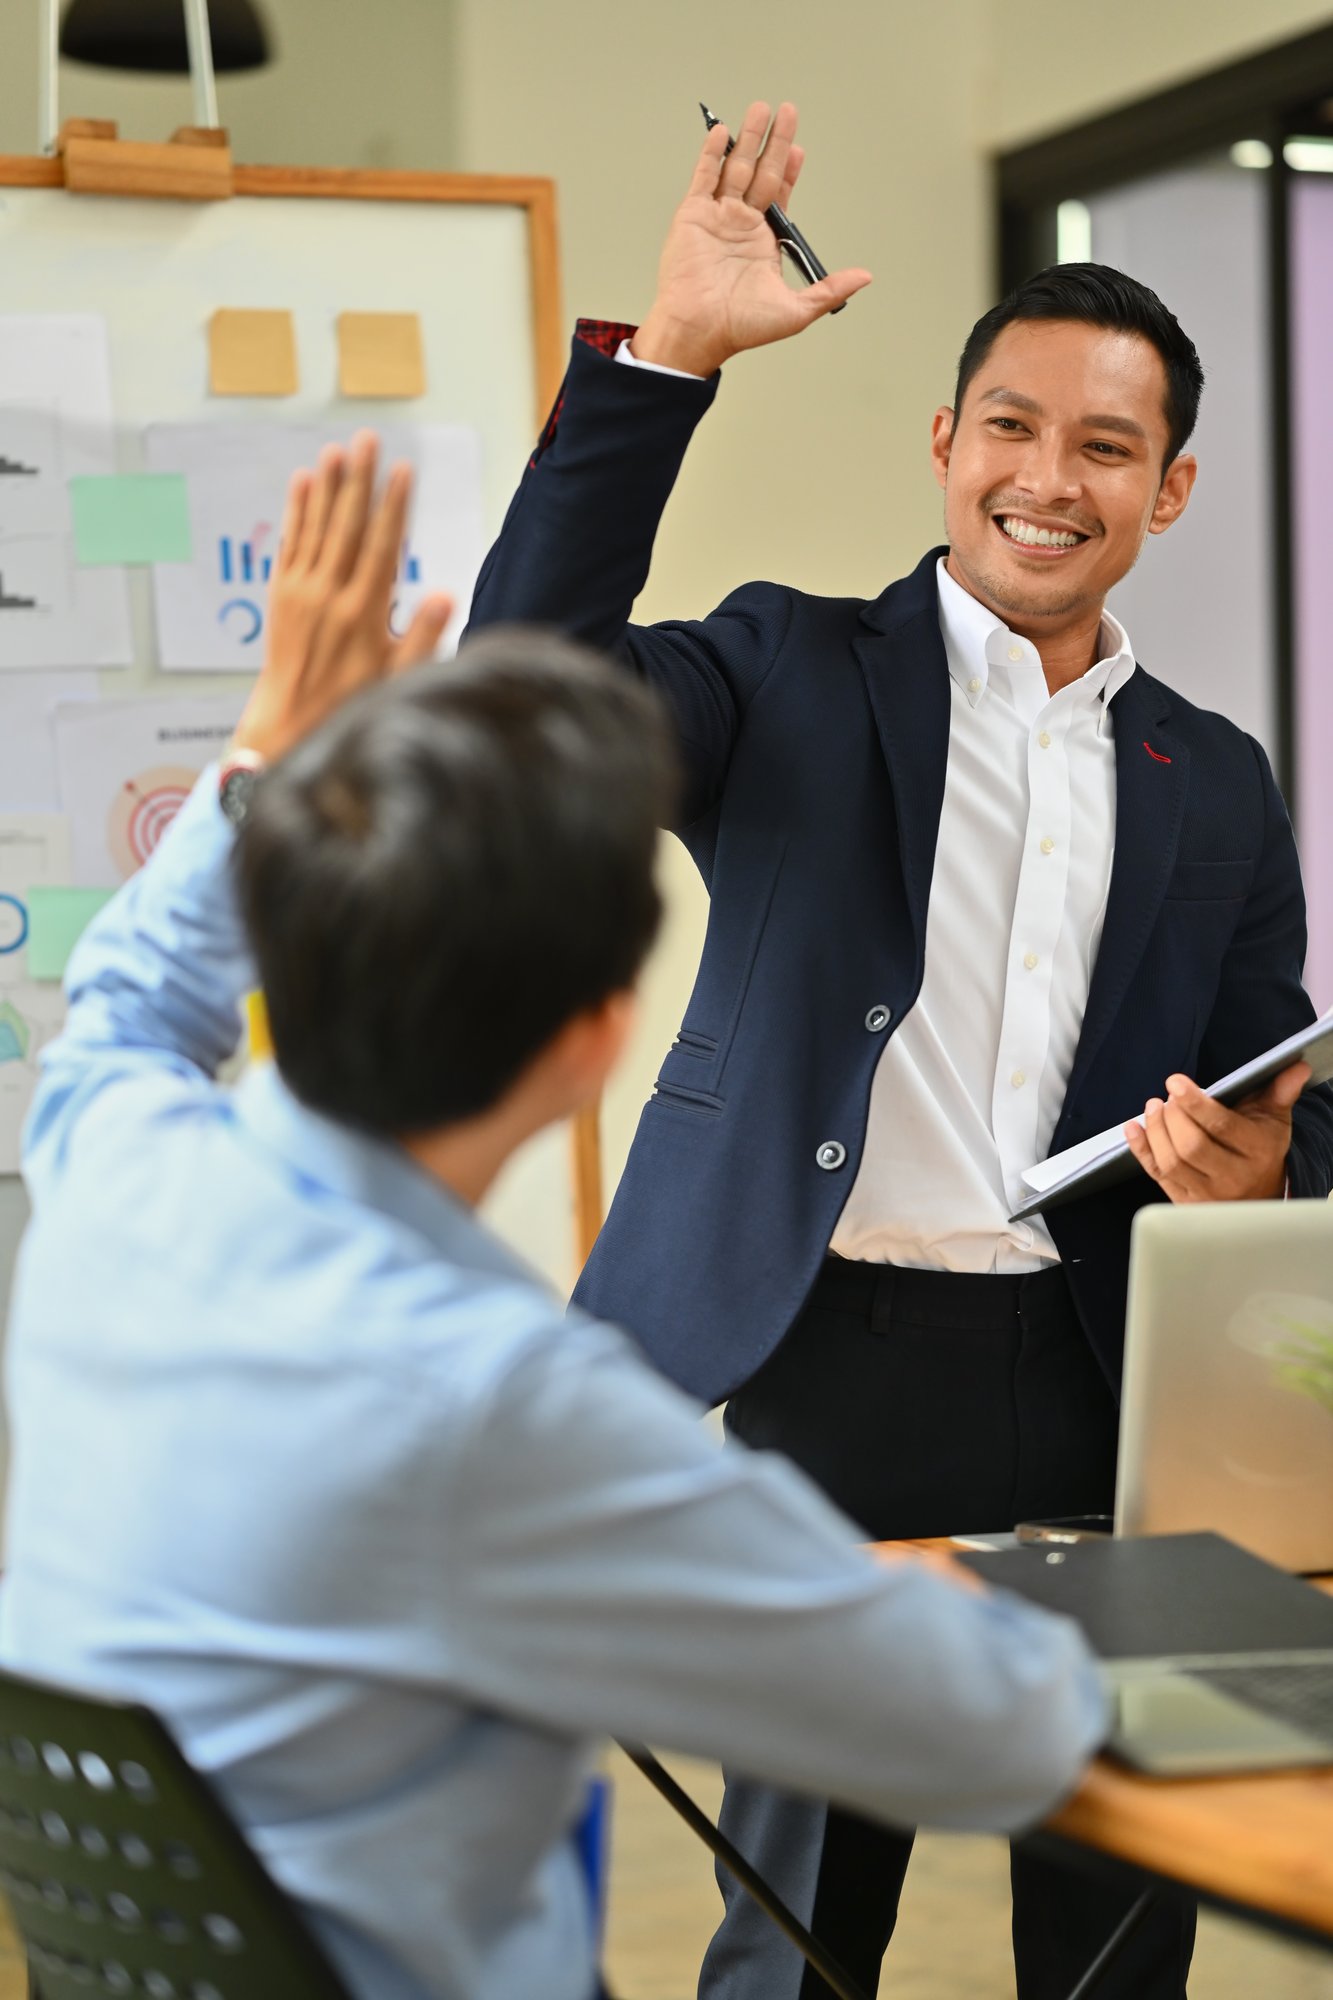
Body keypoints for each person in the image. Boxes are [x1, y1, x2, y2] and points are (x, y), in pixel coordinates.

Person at [0, 435, 1108, 2000]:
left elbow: (128, 1000)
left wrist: (268, 756)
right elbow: (990, 1731)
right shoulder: (507, 1409)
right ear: (596, 1044)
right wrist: (908, 1592)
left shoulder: (118, 1172)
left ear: (292, 949)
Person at [464, 102, 1333, 2000]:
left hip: (1101, 1385)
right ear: (944, 445)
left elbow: (1285, 1095)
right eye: (1010, 428)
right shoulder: (783, 670)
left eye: (1107, 445)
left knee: (1117, 1925)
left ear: (1167, 489)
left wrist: (1269, 1167)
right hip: (820, 1368)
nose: (1050, 476)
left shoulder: (1220, 779)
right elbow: (515, 697)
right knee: (794, 1936)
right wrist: (667, 361)